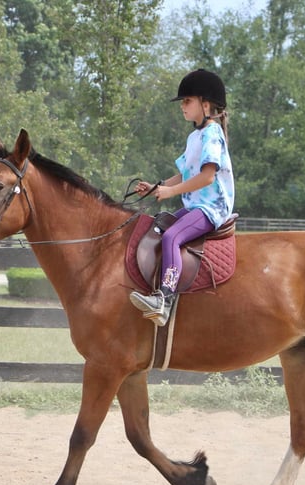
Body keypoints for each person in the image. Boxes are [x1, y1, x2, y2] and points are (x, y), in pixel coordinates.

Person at [129, 68, 235, 327]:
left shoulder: (212, 133)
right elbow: (185, 173)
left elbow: (208, 176)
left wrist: (171, 192)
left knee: (172, 236)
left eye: (187, 101)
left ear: (205, 104)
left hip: (212, 208)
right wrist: (157, 188)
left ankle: (164, 299)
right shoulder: (194, 136)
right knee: (159, 226)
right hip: (195, 205)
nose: (182, 107)